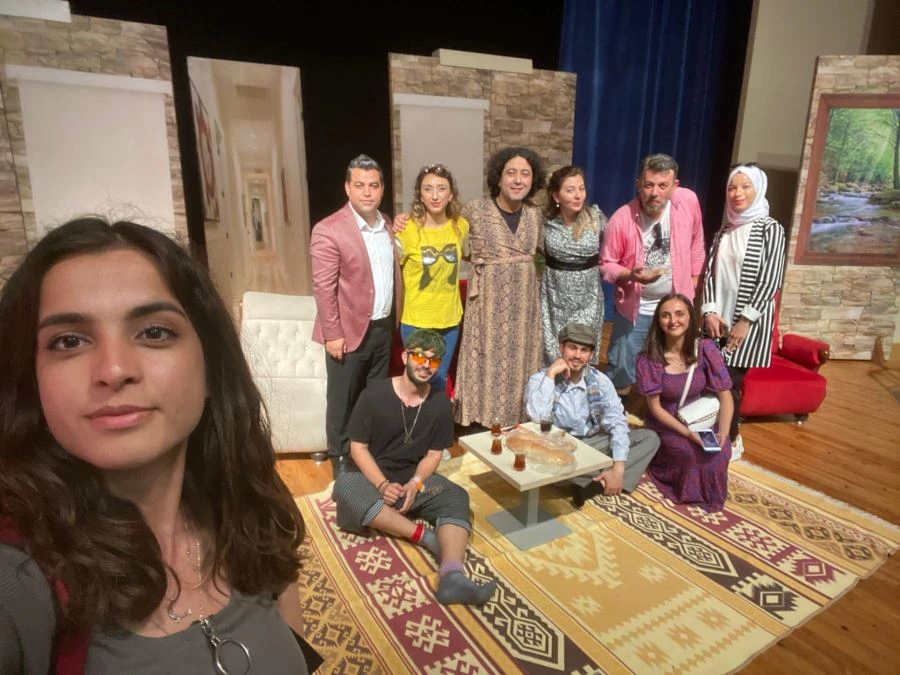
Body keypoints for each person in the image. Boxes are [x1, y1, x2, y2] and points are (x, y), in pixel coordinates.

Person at [0, 219, 310, 673]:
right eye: (69, 341)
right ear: (31, 381)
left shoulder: (251, 506)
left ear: (211, 368)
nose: (114, 369)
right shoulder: (17, 581)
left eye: (154, 332)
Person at [331, 328, 497, 606]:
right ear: (405, 356)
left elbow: (433, 454)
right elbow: (357, 448)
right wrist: (382, 485)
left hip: (412, 483)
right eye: (420, 356)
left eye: (434, 360)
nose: (426, 365)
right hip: (371, 481)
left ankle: (452, 576)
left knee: (457, 496)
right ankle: (425, 537)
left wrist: (415, 483)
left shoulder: (440, 404)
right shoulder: (374, 394)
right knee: (345, 486)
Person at [311, 154, 402, 476]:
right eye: (360, 185)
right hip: (346, 333)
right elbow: (323, 288)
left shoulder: (387, 224)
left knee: (374, 398)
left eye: (374, 185)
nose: (367, 192)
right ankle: (340, 462)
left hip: (382, 328)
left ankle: (367, 454)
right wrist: (333, 334)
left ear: (382, 189)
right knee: (342, 401)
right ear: (347, 188)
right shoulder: (329, 230)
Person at [454, 146, 546, 428]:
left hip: (524, 308)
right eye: (511, 173)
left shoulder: (534, 214)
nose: (518, 180)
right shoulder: (475, 210)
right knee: (486, 359)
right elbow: (446, 233)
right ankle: (481, 423)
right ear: (499, 176)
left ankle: (518, 422)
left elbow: (543, 251)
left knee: (520, 362)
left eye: (525, 174)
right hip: (487, 305)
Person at [600, 153, 705, 400]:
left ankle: (664, 414)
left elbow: (697, 241)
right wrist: (631, 275)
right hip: (636, 309)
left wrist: (694, 280)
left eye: (662, 185)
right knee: (623, 367)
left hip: (675, 306)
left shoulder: (688, 201)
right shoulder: (621, 218)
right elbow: (606, 264)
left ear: (674, 186)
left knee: (674, 365)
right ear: (638, 184)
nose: (654, 193)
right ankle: (619, 415)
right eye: (648, 185)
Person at [700, 163, 786, 460]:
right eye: (732, 187)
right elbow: (709, 275)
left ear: (758, 190)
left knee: (729, 382)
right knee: (711, 379)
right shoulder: (723, 231)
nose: (738, 193)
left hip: (747, 325)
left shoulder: (770, 229)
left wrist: (745, 321)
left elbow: (771, 279)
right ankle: (710, 434)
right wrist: (710, 312)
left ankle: (732, 440)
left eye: (745, 187)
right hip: (718, 322)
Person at [524, 322, 660, 508]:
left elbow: (617, 421)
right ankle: (590, 476)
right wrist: (551, 374)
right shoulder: (541, 379)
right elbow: (536, 419)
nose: (577, 355)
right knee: (540, 464)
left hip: (592, 442)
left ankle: (596, 483)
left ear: (591, 354)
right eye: (572, 348)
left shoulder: (600, 381)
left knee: (649, 439)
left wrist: (619, 468)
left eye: (584, 350)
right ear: (561, 347)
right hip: (556, 445)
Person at [635, 293, 734, 512]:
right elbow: (655, 408)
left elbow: (725, 394)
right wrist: (689, 434)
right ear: (658, 321)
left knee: (720, 452)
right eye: (665, 315)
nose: (673, 321)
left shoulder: (706, 349)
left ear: (690, 317)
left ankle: (710, 494)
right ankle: (683, 488)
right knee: (690, 454)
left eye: (679, 314)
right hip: (668, 422)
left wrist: (724, 433)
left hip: (700, 418)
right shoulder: (648, 359)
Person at [394, 163, 469, 395]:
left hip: (449, 320)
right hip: (417, 320)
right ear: (420, 195)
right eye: (428, 189)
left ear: (451, 194)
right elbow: (393, 273)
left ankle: (436, 419)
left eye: (441, 189)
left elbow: (471, 255)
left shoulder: (461, 226)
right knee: (416, 381)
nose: (435, 196)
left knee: (439, 379)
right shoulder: (405, 229)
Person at [540, 166, 608, 365]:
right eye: (570, 190)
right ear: (556, 196)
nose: (578, 195)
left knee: (581, 352)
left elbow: (615, 247)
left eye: (581, 188)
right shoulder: (545, 223)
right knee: (555, 353)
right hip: (554, 299)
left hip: (588, 299)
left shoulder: (596, 218)